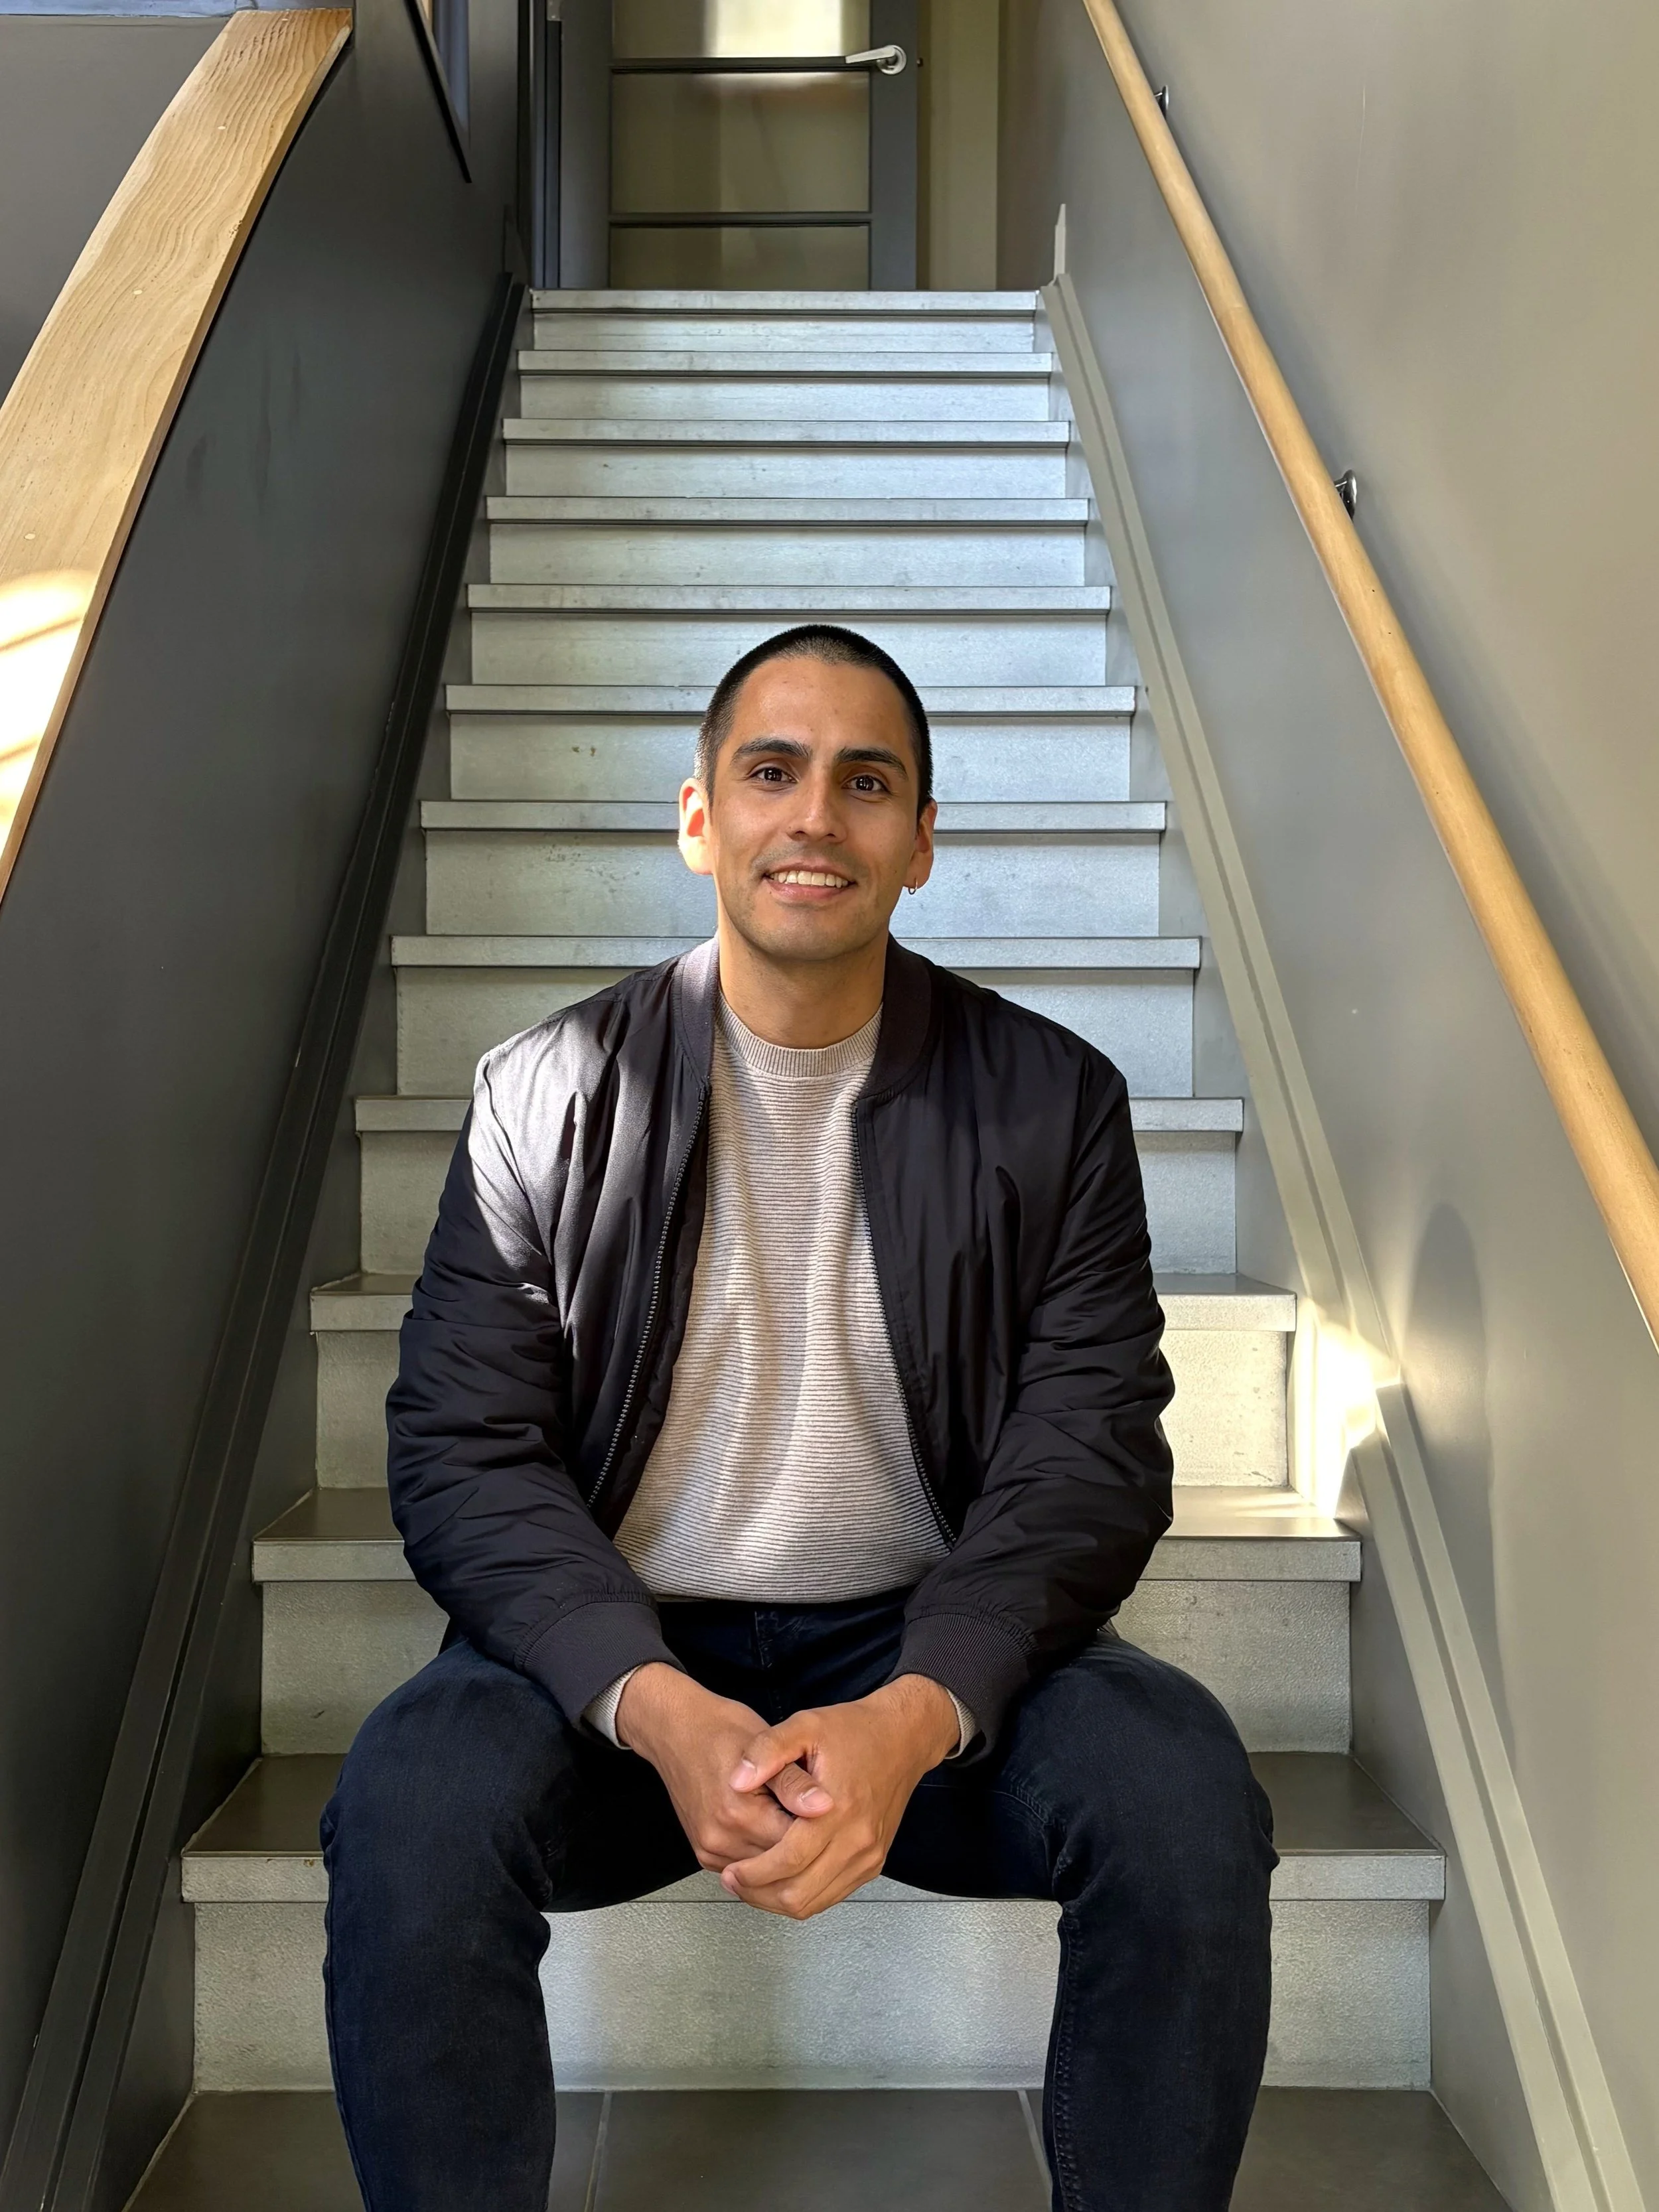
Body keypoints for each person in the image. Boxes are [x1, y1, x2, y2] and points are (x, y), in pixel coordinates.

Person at [321, 624, 1276, 2211]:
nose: (814, 815)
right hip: (615, 1657)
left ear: (918, 842)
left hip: (927, 1646)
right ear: (699, 816)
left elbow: (1085, 1458)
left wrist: (913, 1712)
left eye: (865, 781)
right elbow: (461, 1449)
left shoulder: (1052, 1100)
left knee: (1178, 1791)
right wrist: (656, 1701)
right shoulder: (542, 1090)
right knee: (412, 1800)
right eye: (770, 771)